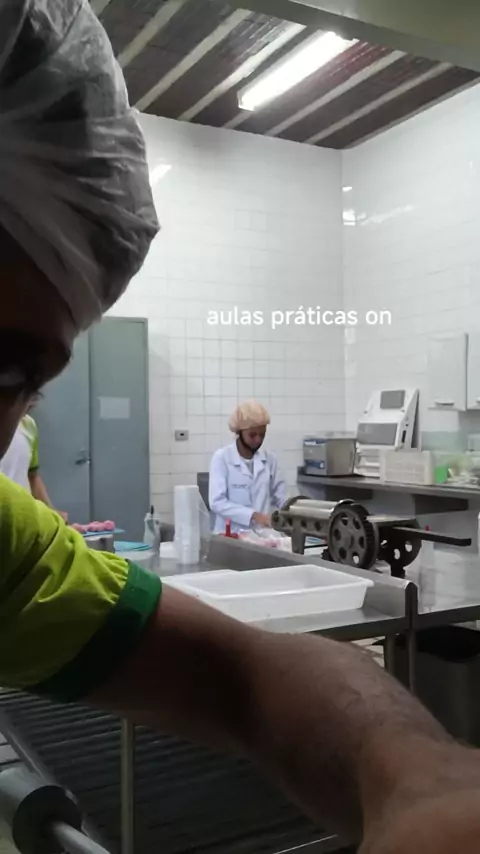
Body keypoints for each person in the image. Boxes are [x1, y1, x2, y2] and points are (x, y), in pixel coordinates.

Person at [1, 4, 480, 852]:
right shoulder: (216, 463)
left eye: (14, 378)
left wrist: (417, 777)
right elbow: (231, 517)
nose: (255, 446)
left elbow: (240, 673)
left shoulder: (11, 555)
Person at [209, 400, 286, 533]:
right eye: (252, 435)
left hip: (263, 535)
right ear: (239, 432)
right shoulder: (222, 458)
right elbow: (217, 502)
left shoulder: (270, 460)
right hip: (230, 535)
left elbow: (281, 497)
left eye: (262, 434)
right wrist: (253, 516)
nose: (258, 440)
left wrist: (294, 513)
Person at [0, 394, 65, 516]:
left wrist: (52, 513)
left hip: (25, 516)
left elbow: (33, 477)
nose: (34, 403)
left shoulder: (29, 425)